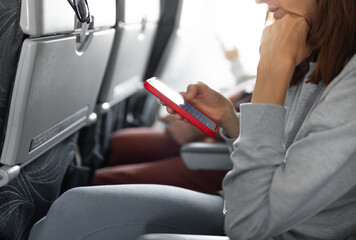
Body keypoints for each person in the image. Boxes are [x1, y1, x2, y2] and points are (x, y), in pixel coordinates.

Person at [29, 0, 356, 239]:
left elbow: (249, 224)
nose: (261, 1)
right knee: (63, 214)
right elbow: (289, 157)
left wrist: (271, 73)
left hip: (267, 226)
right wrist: (230, 120)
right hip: (245, 209)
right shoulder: (319, 54)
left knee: (74, 216)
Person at [92, 47, 254, 195]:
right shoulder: (266, 74)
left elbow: (268, 137)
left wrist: (204, 127)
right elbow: (245, 92)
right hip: (215, 135)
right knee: (118, 143)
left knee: (103, 180)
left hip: (225, 157)